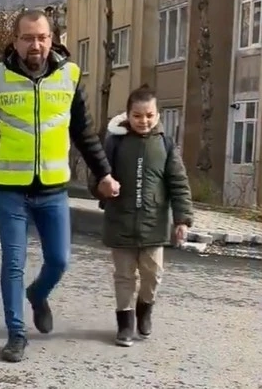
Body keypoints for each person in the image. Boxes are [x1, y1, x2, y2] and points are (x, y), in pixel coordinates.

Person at [0, 9, 120, 362]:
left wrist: (105, 174)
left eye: (41, 37)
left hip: (52, 190)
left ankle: (37, 295)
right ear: (15, 40)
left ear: (52, 38)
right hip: (11, 190)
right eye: (27, 38)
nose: (35, 44)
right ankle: (16, 334)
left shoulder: (70, 77)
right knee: (14, 263)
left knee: (60, 260)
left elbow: (83, 133)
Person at [96, 85, 193, 347]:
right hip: (120, 220)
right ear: (128, 115)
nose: (144, 121)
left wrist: (182, 220)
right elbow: (98, 175)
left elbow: (178, 183)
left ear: (157, 115)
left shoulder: (165, 143)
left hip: (154, 223)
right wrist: (103, 187)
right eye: (137, 116)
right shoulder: (115, 141)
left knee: (153, 273)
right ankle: (125, 323)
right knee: (124, 275)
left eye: (149, 115)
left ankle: (144, 309)